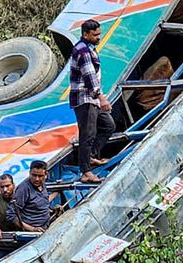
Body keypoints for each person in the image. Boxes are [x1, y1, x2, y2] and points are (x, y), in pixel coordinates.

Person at [69, 19, 116, 183]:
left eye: (99, 34)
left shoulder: (89, 48)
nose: (99, 37)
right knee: (87, 135)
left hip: (92, 98)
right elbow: (89, 78)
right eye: (95, 35)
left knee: (108, 125)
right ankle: (86, 172)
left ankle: (90, 157)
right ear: (85, 34)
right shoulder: (82, 51)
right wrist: (101, 98)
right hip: (85, 98)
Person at [6, 161, 50, 232]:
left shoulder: (42, 185)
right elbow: (11, 215)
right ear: (29, 173)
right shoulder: (24, 189)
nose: (37, 179)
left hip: (46, 227)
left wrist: (50, 210)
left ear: (46, 175)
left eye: (40, 176)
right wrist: (32, 229)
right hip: (33, 233)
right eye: (34, 175)